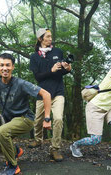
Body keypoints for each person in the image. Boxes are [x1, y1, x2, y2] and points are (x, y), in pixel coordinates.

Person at [0, 53, 52, 175]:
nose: (5, 68)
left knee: (2, 131)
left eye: (8, 65)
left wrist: (47, 118)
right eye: (1, 65)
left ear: (12, 67)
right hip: (9, 121)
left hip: (25, 119)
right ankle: (16, 151)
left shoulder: (20, 83)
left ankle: (13, 167)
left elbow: (46, 94)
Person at [28, 28, 72, 161]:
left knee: (58, 119)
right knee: (37, 120)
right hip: (42, 93)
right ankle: (38, 139)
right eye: (47, 37)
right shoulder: (34, 57)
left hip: (58, 92)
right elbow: (38, 77)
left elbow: (61, 72)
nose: (50, 39)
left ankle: (55, 149)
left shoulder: (57, 51)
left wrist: (67, 69)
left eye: (51, 36)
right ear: (40, 39)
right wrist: (51, 70)